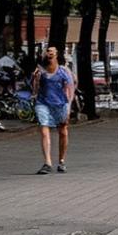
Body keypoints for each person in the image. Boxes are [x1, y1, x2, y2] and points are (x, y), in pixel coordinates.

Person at [32, 45, 74, 175]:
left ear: (56, 54)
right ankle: (48, 163)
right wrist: (35, 79)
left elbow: (70, 88)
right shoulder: (41, 70)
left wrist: (68, 107)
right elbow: (34, 89)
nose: (49, 53)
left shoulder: (63, 71)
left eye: (52, 51)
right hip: (43, 103)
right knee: (44, 130)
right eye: (47, 51)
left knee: (63, 132)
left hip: (60, 105)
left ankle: (61, 161)